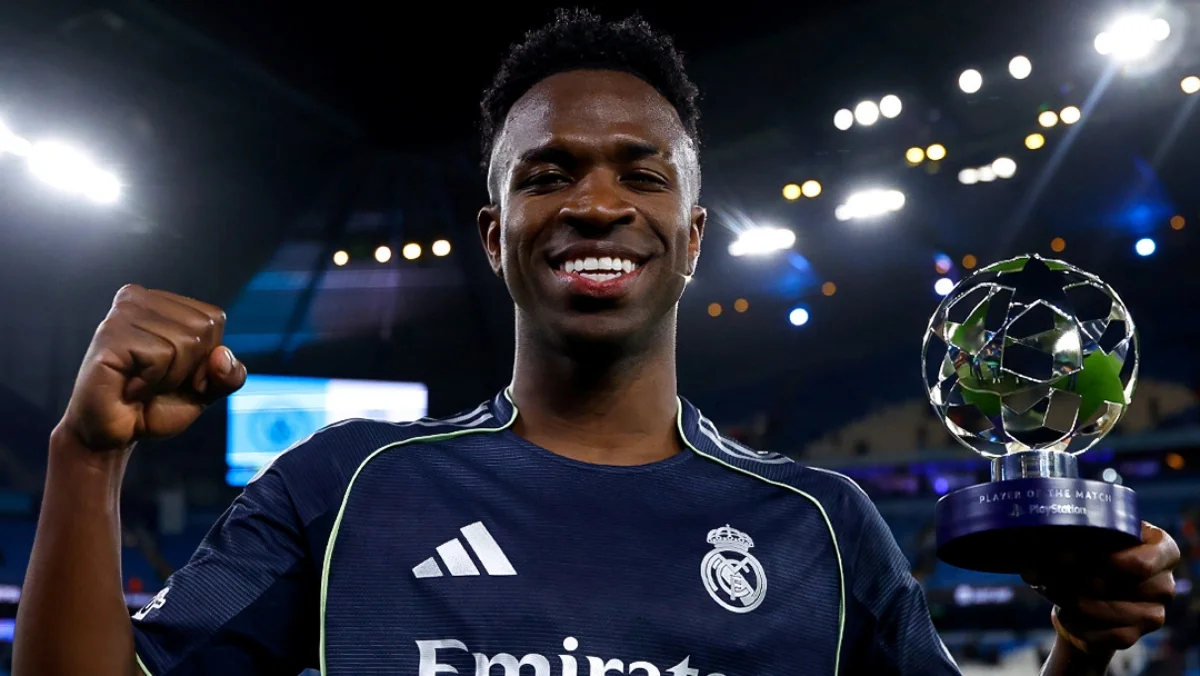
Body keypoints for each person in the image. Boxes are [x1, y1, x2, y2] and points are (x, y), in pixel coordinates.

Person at [14, 9, 1179, 676]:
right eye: (549, 173)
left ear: (695, 234)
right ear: (494, 233)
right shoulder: (344, 484)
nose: (595, 202)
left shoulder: (826, 526)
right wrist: (84, 457)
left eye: (641, 172)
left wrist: (1081, 642)